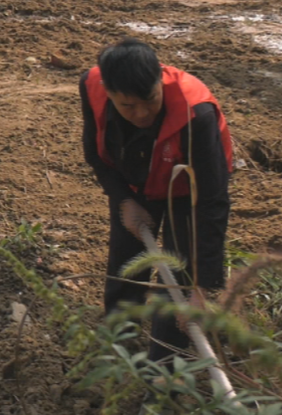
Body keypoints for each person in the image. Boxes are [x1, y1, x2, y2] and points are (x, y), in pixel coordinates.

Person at [80, 38, 233, 367]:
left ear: (159, 81)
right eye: (127, 106)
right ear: (109, 92)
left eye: (149, 100)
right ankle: (118, 345)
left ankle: (163, 380)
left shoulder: (196, 114)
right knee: (125, 262)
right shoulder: (92, 87)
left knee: (178, 280)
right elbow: (96, 155)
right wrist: (123, 200)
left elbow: (212, 201)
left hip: (188, 187)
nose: (142, 113)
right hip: (135, 178)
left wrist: (202, 290)